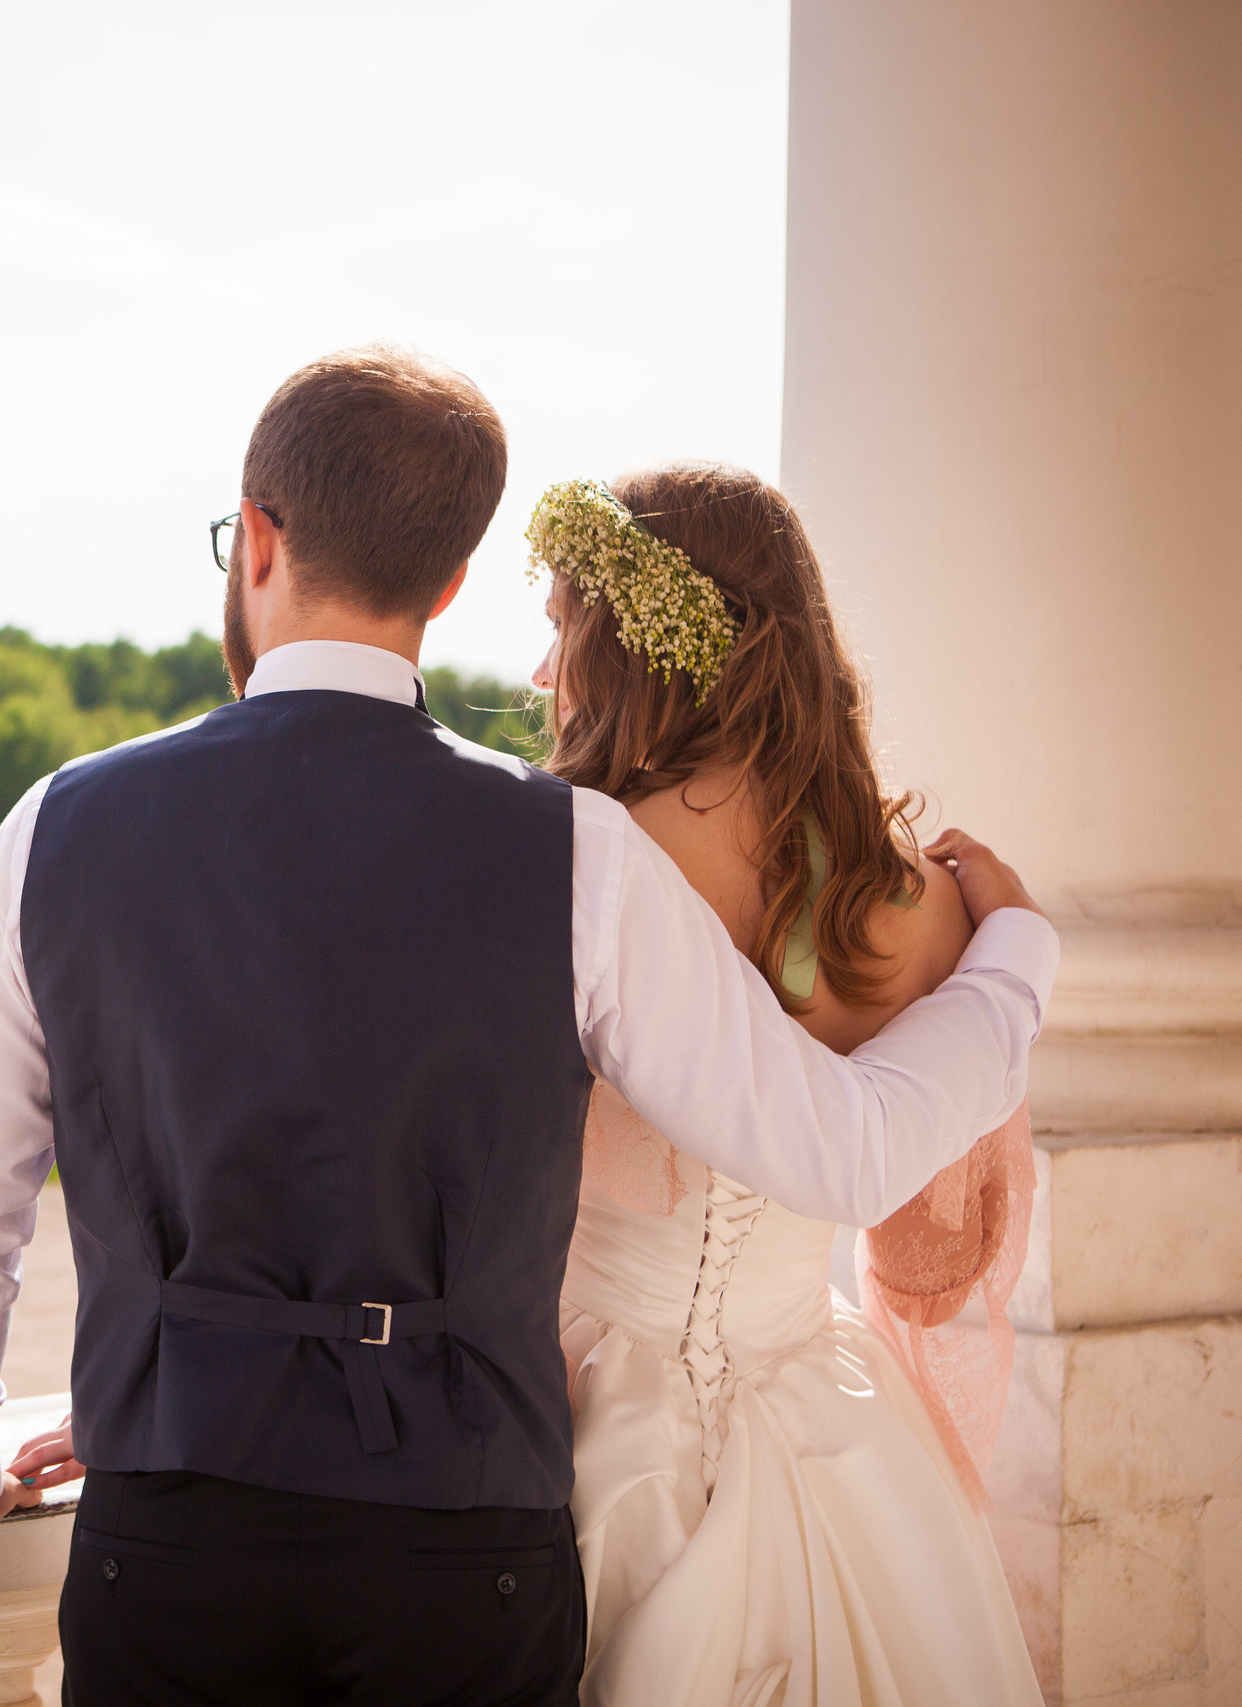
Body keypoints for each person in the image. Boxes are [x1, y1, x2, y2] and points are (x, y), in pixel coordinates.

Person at [0, 344, 1058, 1706]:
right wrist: (1018, 960)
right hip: (465, 1550)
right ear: (449, 583)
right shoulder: (576, 854)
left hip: (167, 1537)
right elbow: (838, 1151)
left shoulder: (54, 825)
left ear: (257, 536)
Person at [526, 467, 1043, 1703]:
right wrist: (1011, 954)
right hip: (829, 1411)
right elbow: (931, 1248)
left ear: (639, 643)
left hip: (576, 1408)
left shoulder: (585, 860)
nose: (542, 673)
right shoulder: (923, 900)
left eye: (561, 630)